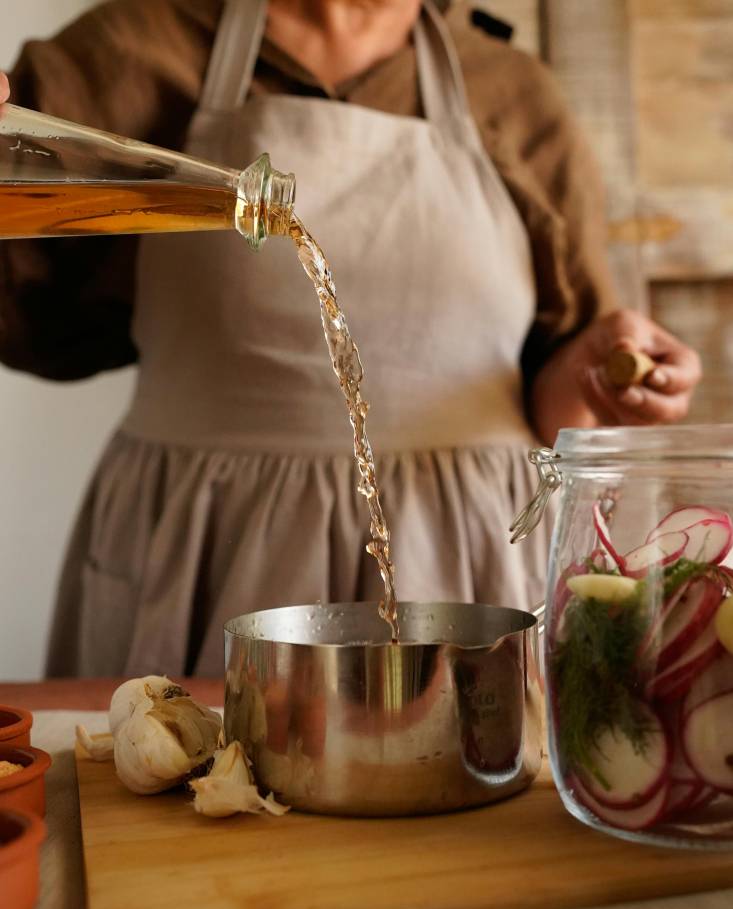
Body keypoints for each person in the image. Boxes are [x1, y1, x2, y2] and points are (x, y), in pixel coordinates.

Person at [0, 0, 701, 678]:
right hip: (202, 560)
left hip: (469, 572)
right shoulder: (127, 51)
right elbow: (31, 318)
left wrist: (595, 374)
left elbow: (552, 389)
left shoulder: (513, 93)